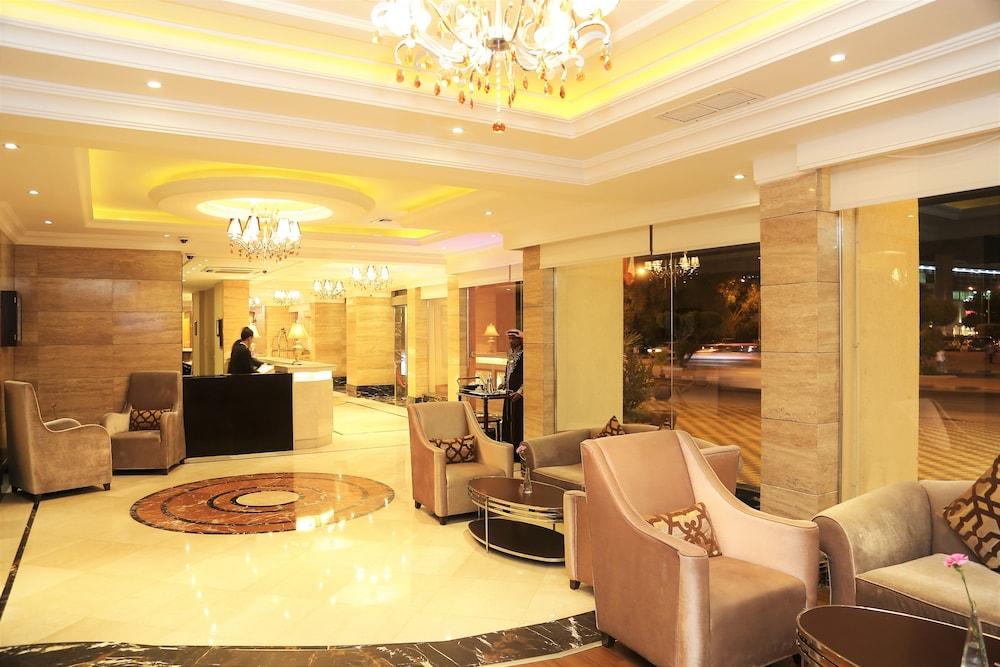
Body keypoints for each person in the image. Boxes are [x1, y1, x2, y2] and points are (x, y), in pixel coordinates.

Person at [500, 328, 524, 448]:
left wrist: (520, 392)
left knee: (517, 423)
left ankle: (517, 451)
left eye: (513, 339)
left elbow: (529, 377)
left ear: (520, 340)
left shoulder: (524, 355)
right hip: (508, 393)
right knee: (508, 420)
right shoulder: (510, 353)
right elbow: (508, 371)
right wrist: (503, 383)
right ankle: (508, 448)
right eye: (510, 339)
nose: (511, 341)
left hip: (519, 396)